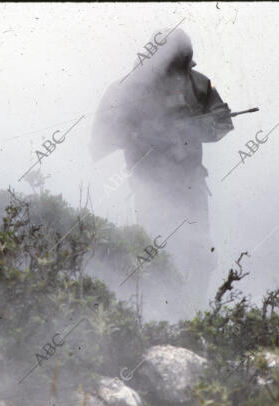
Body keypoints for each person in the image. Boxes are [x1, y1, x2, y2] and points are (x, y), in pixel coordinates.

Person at [89, 28, 234, 307]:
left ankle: (194, 312)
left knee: (200, 252)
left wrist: (195, 127)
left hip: (191, 183)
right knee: (156, 250)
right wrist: (143, 135)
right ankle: (157, 311)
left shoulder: (200, 84)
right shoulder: (125, 89)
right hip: (151, 186)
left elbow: (223, 121)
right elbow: (103, 138)